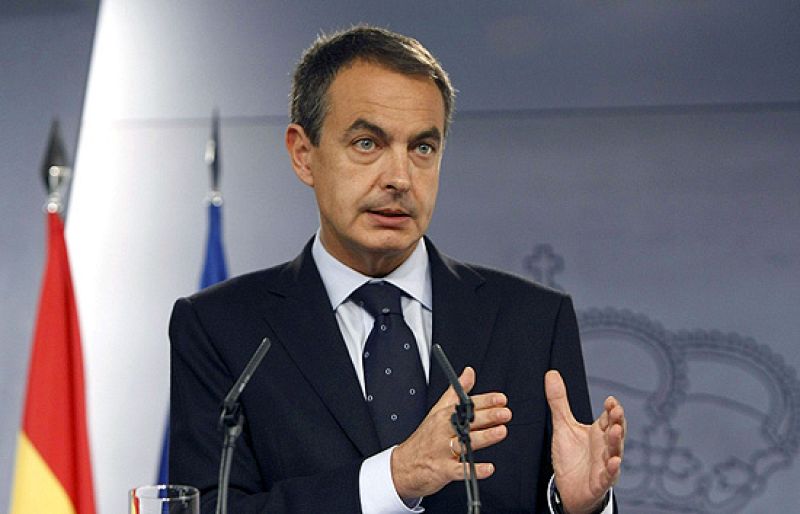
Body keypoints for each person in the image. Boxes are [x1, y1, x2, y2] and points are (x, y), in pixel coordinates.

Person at [169, 25, 626, 514]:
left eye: (422, 148)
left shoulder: (532, 320)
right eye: (368, 143)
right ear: (304, 155)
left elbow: (560, 492)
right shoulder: (221, 328)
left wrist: (580, 506)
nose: (400, 178)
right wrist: (394, 478)